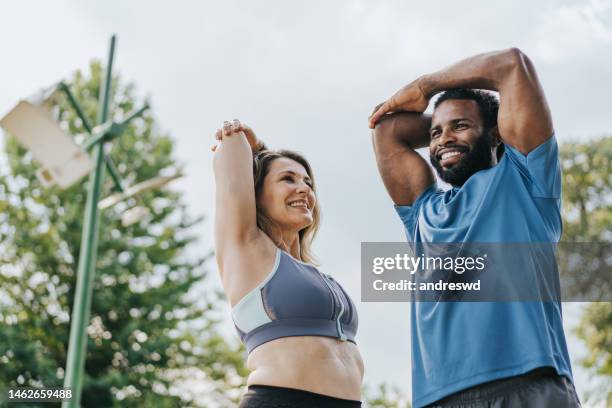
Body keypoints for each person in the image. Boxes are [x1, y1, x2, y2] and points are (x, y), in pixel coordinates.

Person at [369, 49, 580, 407]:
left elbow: (512, 66)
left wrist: (427, 87)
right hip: (440, 398)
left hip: (529, 384)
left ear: (497, 134)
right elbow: (387, 129)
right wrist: (453, 117)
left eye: (459, 126)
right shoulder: (422, 212)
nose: (442, 139)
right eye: (435, 133)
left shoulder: (525, 180)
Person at [212, 119, 363, 407]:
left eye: (307, 182)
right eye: (288, 179)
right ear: (256, 193)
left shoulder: (313, 273)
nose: (304, 189)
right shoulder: (247, 249)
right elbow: (231, 151)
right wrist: (255, 149)